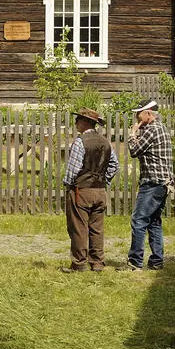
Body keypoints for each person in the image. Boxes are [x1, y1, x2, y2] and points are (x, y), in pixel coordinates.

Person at [61, 107, 119, 272]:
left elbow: (73, 169)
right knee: (97, 228)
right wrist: (103, 179)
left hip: (82, 191)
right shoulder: (104, 141)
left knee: (79, 227)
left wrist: (69, 184)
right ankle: (97, 263)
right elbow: (114, 165)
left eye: (78, 120)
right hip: (100, 191)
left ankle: (79, 264)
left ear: (86, 122)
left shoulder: (80, 141)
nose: (75, 123)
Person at [123, 99, 174, 271]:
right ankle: (156, 261)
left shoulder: (151, 130)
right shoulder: (161, 127)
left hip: (152, 182)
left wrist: (132, 133)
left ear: (149, 114)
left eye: (139, 113)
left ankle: (135, 262)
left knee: (139, 220)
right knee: (154, 222)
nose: (136, 117)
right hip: (163, 183)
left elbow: (134, 151)